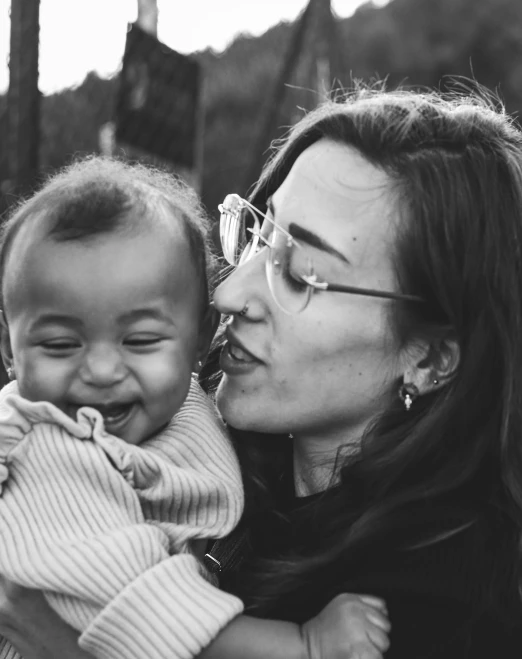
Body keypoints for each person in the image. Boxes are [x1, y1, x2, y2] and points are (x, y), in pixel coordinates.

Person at [4, 84, 522, 657]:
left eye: (300, 274)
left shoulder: (439, 610)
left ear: (429, 358)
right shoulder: (191, 448)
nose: (230, 291)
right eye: (257, 234)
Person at [0, 156, 390, 659]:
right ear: (10, 351)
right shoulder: (51, 456)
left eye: (139, 340)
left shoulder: (187, 405)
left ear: (199, 337)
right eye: (58, 345)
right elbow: (147, 610)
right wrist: (303, 645)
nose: (99, 370)